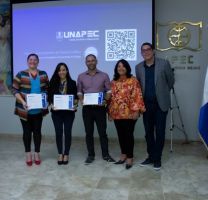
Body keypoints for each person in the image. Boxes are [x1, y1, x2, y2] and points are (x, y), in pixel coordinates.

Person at [135, 42, 174, 170]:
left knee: (160, 132)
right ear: (141, 53)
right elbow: (139, 86)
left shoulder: (164, 63)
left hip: (161, 105)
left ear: (153, 51)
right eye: (143, 50)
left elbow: (170, 81)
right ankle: (151, 156)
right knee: (148, 133)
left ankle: (157, 158)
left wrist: (161, 94)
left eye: (148, 49)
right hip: (146, 106)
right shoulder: (139, 67)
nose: (146, 52)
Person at [77, 54, 115, 164]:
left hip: (100, 109)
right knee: (89, 133)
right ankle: (90, 155)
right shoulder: (81, 76)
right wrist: (81, 99)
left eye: (92, 60)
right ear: (86, 63)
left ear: (96, 61)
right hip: (87, 109)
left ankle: (106, 155)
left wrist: (105, 101)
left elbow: (109, 91)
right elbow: (79, 92)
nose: (91, 62)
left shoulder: (104, 75)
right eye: (88, 61)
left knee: (102, 133)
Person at [12, 53, 49, 166]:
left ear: (38, 62)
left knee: (37, 133)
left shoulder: (43, 74)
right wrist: (23, 102)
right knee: (27, 133)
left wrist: (44, 99)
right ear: (27, 61)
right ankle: (28, 154)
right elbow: (14, 90)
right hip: (24, 110)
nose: (32, 61)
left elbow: (47, 89)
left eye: (35, 60)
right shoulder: (21, 74)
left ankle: (37, 153)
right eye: (30, 59)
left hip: (39, 110)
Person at [108, 59, 145, 169]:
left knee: (128, 135)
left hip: (130, 113)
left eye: (123, 66)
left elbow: (138, 95)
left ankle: (130, 157)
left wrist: (137, 111)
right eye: (119, 66)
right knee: (121, 135)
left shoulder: (133, 80)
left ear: (127, 68)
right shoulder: (113, 82)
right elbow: (111, 99)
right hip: (117, 113)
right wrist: (109, 112)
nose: (121, 68)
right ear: (116, 69)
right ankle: (123, 154)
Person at [48, 63, 78, 165]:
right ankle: (60, 153)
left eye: (64, 70)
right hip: (56, 113)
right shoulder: (52, 83)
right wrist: (51, 105)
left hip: (69, 113)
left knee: (68, 132)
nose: (62, 72)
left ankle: (66, 154)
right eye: (60, 70)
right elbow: (49, 98)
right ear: (57, 72)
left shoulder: (73, 83)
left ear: (67, 71)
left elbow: (76, 99)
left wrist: (75, 104)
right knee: (59, 133)